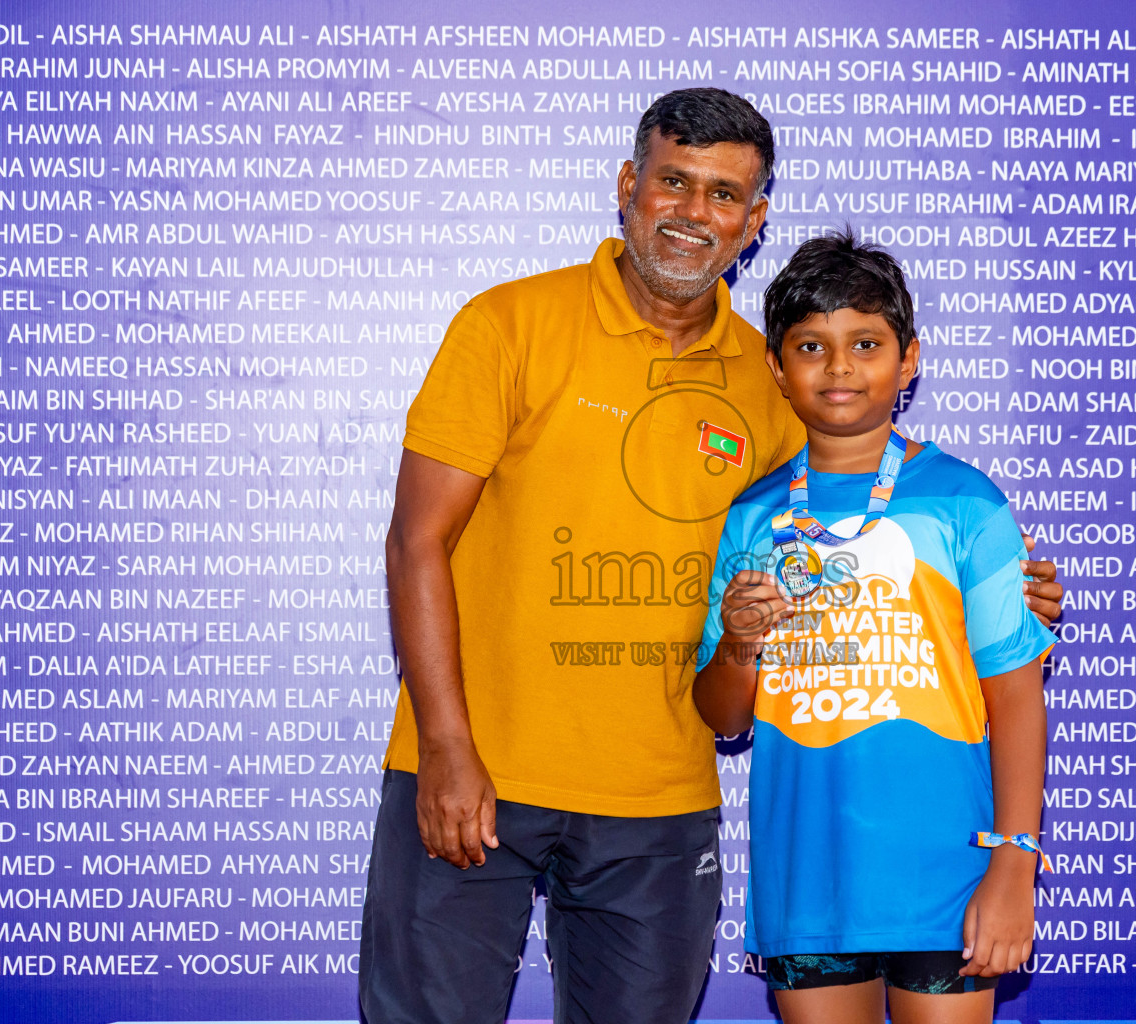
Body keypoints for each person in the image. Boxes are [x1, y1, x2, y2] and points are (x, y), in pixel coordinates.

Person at [359, 88, 1063, 1024]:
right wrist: (445, 744)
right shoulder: (509, 323)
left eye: (725, 194)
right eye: (675, 182)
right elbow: (418, 539)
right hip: (474, 774)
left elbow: (847, 537)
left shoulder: (777, 381)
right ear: (628, 185)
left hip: (660, 801)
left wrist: (1001, 594)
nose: (695, 213)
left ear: (754, 218)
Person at [692, 232, 1055, 1024]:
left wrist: (1014, 867)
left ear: (909, 357)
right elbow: (721, 717)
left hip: (948, 875)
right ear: (776, 368)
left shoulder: (966, 503)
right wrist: (738, 643)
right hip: (809, 878)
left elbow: (1018, 699)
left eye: (866, 343)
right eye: (811, 347)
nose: (840, 368)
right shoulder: (753, 516)